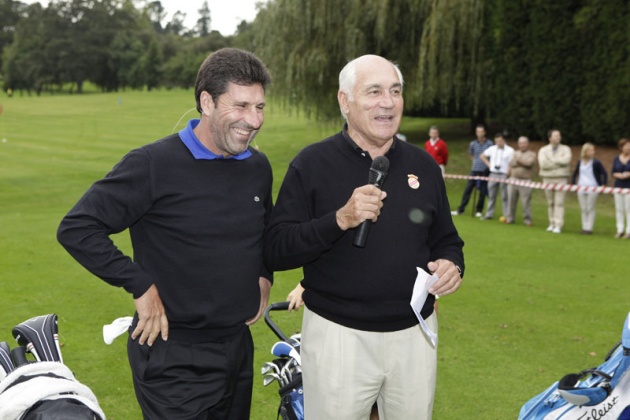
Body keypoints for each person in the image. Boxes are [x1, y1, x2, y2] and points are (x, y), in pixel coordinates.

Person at [57, 48, 273, 419]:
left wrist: (265, 275)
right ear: (207, 101)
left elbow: (264, 230)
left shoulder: (257, 166)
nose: (253, 120)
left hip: (237, 346)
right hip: (173, 355)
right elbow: (78, 227)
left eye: (259, 107)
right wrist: (139, 283)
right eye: (240, 106)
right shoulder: (152, 164)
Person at [264, 54, 464, 420]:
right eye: (374, 92)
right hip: (339, 336)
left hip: (414, 334)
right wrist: (339, 219)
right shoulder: (311, 164)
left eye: (395, 91)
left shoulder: (424, 167)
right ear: (345, 101)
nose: (387, 102)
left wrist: (452, 264)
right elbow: (277, 249)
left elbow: (447, 239)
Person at [451, 124, 493, 217]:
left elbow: (491, 156)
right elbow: (472, 155)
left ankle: (479, 210)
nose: (479, 134)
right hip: (474, 170)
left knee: (482, 191)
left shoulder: (489, 144)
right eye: (478, 132)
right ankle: (461, 209)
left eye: (481, 132)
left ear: (484, 132)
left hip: (484, 170)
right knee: (468, 190)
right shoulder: (473, 143)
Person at [538, 129, 572, 233]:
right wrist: (558, 163)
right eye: (556, 136)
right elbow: (543, 164)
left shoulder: (566, 149)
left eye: (559, 135)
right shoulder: (543, 150)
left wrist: (552, 161)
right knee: (550, 202)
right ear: (550, 138)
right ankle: (551, 223)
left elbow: (566, 161)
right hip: (547, 178)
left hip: (561, 178)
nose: (558, 137)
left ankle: (558, 224)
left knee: (559, 202)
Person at [571, 143, 607, 234]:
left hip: (593, 187)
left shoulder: (596, 162)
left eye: (593, 150)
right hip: (581, 187)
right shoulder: (580, 162)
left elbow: (604, 173)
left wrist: (603, 184)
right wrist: (573, 184)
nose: (592, 152)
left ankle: (589, 228)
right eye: (590, 150)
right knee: (583, 208)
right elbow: (575, 173)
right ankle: (584, 226)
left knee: (590, 207)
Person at [480, 133, 514, 220]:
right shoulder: (492, 149)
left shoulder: (510, 150)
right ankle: (489, 214)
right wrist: (489, 165)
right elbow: (482, 156)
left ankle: (506, 215)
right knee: (491, 195)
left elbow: (512, 162)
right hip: (493, 173)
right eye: (497, 141)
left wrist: (509, 171)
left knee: (504, 196)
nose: (498, 143)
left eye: (500, 141)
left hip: (503, 174)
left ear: (504, 140)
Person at [505, 136, 537, 225]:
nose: (522, 145)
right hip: (513, 179)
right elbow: (511, 163)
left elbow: (529, 163)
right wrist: (521, 162)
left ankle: (527, 220)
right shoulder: (515, 153)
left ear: (527, 144)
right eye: (520, 143)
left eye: (524, 143)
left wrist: (518, 161)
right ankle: (510, 218)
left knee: (525, 201)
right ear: (518, 144)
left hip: (525, 181)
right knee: (511, 200)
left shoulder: (532, 154)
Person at [611, 138, 630, 238]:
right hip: (618, 186)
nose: (628, 148)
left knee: (628, 209)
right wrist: (619, 175)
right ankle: (620, 229)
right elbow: (613, 172)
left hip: (629, 187)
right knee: (619, 209)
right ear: (621, 147)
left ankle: (628, 230)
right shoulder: (616, 159)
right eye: (626, 146)